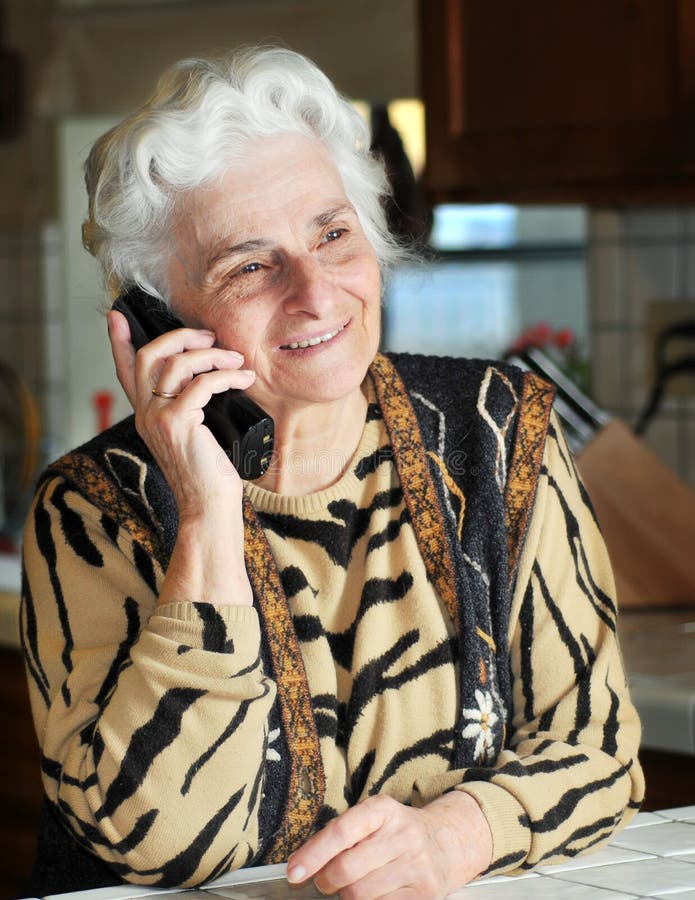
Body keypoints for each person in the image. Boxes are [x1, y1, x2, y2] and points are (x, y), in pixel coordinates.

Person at [21, 46, 644, 899]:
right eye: (249, 265)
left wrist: (458, 837)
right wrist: (206, 513)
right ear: (160, 319)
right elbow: (162, 850)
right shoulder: (91, 509)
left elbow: (598, 750)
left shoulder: (499, 432)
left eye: (332, 234)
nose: (315, 293)